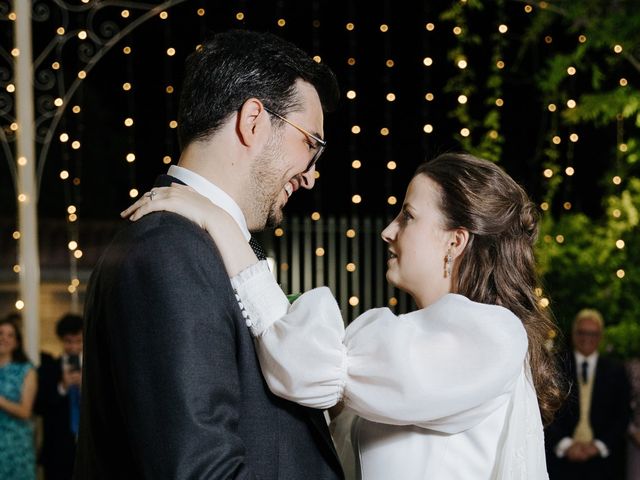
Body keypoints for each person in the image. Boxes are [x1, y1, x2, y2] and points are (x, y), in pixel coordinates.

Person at [124, 152, 563, 479]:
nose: (388, 230)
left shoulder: (489, 332)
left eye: (408, 216)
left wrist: (220, 224)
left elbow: (306, 367)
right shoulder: (418, 341)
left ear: (456, 241)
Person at [75, 29, 341, 479]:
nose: (312, 175)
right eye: (310, 145)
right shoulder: (169, 250)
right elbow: (201, 471)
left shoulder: (200, 242)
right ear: (254, 120)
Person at [545, 309, 630, 479]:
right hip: (560, 461)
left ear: (601, 337)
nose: (587, 338)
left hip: (604, 464)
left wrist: (598, 446)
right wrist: (566, 444)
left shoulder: (616, 370)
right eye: (582, 332)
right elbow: (546, 409)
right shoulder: (556, 366)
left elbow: (623, 414)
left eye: (593, 333)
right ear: (574, 334)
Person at [35, 313, 83, 480]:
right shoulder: (48, 369)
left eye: (79, 341)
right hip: (57, 448)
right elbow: (38, 406)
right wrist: (62, 387)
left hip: (87, 448)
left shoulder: (94, 371)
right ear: (62, 340)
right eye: (69, 341)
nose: (74, 347)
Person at [0, 314, 37, 480]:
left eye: (10, 335)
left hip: (15, 446)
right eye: (0, 333)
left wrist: (1, 401)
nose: (4, 338)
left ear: (16, 342)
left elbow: (25, 411)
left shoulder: (26, 370)